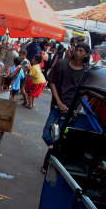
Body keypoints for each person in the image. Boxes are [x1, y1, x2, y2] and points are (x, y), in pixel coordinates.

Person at [40, 42, 90, 173]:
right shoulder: (62, 64)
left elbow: (85, 93)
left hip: (72, 110)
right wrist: (59, 102)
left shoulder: (86, 71)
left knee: (62, 138)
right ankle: (53, 154)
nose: (77, 53)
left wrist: (77, 111)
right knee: (48, 135)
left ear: (87, 54)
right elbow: (52, 83)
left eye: (81, 51)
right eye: (76, 50)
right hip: (58, 107)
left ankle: (49, 164)